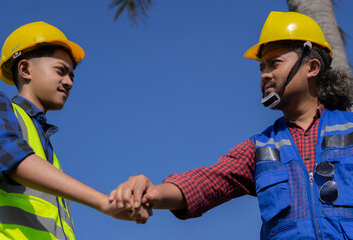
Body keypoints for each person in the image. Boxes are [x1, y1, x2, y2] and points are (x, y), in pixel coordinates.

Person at [109, 11, 353, 239]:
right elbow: (206, 182)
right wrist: (152, 192)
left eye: (274, 63)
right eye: (262, 67)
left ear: (312, 67)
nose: (265, 74)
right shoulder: (260, 147)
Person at [0, 21, 150, 240]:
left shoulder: (47, 151)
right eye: (61, 71)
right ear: (25, 69)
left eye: (72, 76)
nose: (69, 82)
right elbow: (11, 158)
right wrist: (103, 201)